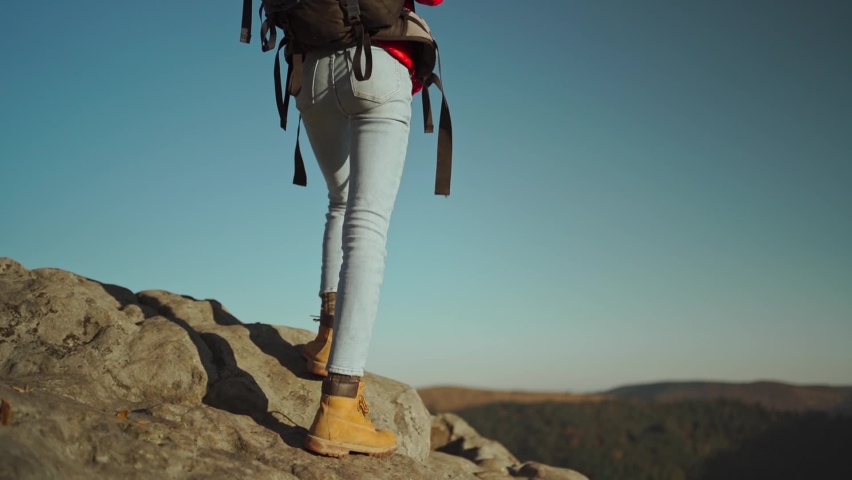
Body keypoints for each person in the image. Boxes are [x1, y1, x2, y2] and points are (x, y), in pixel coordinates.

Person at [297, 0, 444, 458]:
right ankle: (340, 405)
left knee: (339, 200)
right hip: (379, 63)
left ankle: (326, 339)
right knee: (367, 224)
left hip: (309, 71)